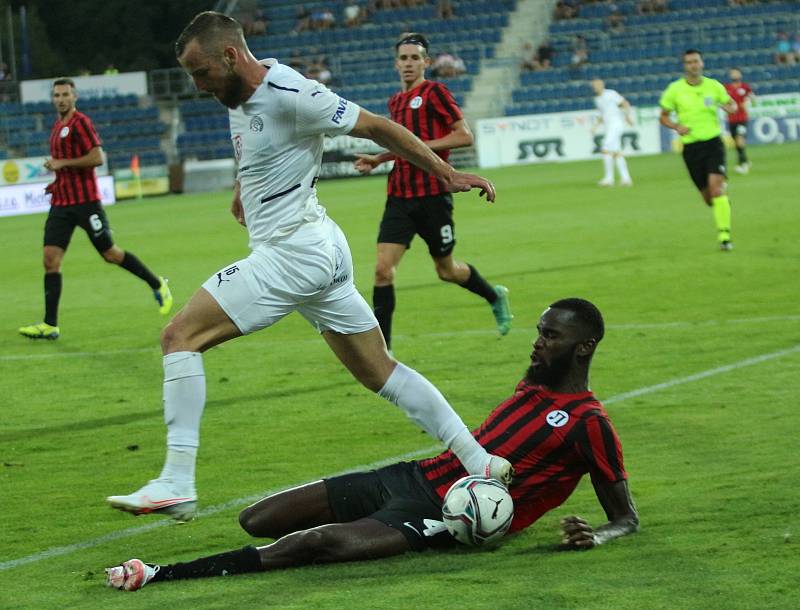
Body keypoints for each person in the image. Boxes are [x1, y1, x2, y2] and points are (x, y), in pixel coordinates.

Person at [106, 12, 511, 522]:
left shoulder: (291, 92)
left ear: (230, 56)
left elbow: (379, 127)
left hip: (293, 253)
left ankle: (177, 482)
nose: (198, 86)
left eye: (201, 72)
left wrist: (446, 173)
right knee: (380, 372)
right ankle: (481, 460)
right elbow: (259, 144)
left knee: (179, 338)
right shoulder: (240, 92)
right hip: (320, 249)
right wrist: (244, 189)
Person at [105, 297, 639, 592]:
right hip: (412, 477)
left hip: (443, 518)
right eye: (540, 330)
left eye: (551, 336)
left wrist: (599, 536)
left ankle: (158, 574)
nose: (538, 341)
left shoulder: (589, 422)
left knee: (316, 544)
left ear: (584, 346)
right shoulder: (533, 385)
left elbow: (626, 517)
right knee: (257, 519)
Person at [352, 33, 512, 351]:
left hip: (433, 197)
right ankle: (383, 350)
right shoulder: (395, 102)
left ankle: (495, 295)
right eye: (404, 58)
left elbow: (464, 136)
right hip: (399, 196)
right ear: (396, 63)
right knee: (383, 270)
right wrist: (380, 158)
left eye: (415, 58)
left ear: (426, 62)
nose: (409, 64)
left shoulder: (435, 92)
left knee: (446, 270)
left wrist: (421, 146)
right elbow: (403, 146)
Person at [18, 78, 172, 341]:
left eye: (66, 94)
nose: (61, 99)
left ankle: (157, 283)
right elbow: (62, 166)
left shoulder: (81, 123)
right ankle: (50, 324)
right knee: (50, 260)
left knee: (110, 254)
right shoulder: (56, 127)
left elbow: (97, 157)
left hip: (86, 202)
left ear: (74, 96)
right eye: (56, 95)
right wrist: (56, 183)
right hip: (61, 204)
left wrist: (62, 164)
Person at [659, 49, 738, 251]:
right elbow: (663, 116)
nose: (693, 65)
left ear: (702, 63)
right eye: (689, 62)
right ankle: (722, 205)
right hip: (691, 148)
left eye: (696, 61)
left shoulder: (714, 86)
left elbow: (731, 104)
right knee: (708, 198)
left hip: (713, 143)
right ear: (685, 66)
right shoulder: (674, 90)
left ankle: (724, 236)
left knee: (716, 188)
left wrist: (730, 107)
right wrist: (676, 126)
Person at [591, 78, 634, 187]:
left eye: (597, 84)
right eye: (594, 85)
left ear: (602, 85)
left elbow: (624, 103)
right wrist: (595, 126)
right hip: (609, 127)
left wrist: (627, 116)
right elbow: (602, 114)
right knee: (616, 152)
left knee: (605, 148)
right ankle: (626, 179)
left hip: (616, 125)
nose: (595, 87)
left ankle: (608, 179)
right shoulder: (597, 99)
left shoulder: (610, 94)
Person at [724, 68, 754, 175]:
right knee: (736, 142)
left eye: (736, 72)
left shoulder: (745, 87)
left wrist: (747, 102)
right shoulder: (726, 88)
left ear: (740, 74)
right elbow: (722, 101)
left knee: (740, 138)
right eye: (732, 73)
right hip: (731, 119)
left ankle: (743, 164)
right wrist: (726, 107)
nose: (734, 74)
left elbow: (753, 98)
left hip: (742, 119)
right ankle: (745, 160)